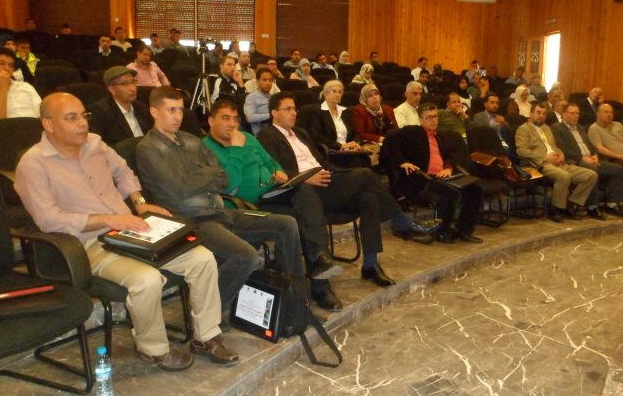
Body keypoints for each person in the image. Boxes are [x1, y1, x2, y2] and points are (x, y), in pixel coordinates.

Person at [15, 92, 237, 371]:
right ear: (48, 124)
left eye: (84, 115)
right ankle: (153, 349)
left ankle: (206, 336)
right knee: (146, 279)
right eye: (71, 118)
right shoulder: (33, 164)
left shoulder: (95, 143)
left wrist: (139, 202)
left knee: (202, 258)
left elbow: (123, 171)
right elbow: (49, 220)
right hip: (87, 243)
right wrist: (109, 219)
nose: (82, 123)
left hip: (129, 229)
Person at [135, 87, 314, 314]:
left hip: (220, 211)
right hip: (192, 220)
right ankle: (210, 315)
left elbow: (223, 177)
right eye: (171, 110)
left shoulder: (190, 140)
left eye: (180, 110)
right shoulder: (148, 149)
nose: (178, 116)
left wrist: (197, 178)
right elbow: (179, 190)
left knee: (286, 224)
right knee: (246, 256)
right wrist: (205, 177)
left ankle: (296, 301)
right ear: (154, 111)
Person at [257, 92, 440, 287]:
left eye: (294, 109)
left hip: (327, 181)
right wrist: (306, 177)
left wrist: (334, 172)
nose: (294, 113)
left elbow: (322, 161)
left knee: (368, 197)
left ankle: (370, 264)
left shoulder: (301, 133)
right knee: (366, 175)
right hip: (304, 190)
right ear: (274, 113)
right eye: (288, 109)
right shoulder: (267, 135)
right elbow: (274, 169)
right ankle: (403, 223)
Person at [202, 98, 345, 306]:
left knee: (304, 191)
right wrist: (236, 150)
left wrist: (278, 171)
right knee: (297, 220)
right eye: (225, 118)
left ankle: (319, 261)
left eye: (235, 119)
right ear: (211, 121)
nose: (232, 124)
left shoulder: (248, 138)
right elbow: (228, 185)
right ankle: (311, 289)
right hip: (246, 206)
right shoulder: (205, 149)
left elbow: (270, 161)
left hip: (272, 193)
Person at [382, 103, 483, 244]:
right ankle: (441, 232)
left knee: (475, 190)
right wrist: (402, 162)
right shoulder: (413, 132)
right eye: (429, 117)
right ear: (421, 119)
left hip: (443, 176)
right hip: (423, 179)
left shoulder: (440, 136)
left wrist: (448, 168)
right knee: (450, 194)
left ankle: (464, 230)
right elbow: (389, 140)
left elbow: (448, 156)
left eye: (435, 116)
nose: (433, 120)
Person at [515, 101, 598, 222]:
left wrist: (561, 155)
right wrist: (545, 157)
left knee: (591, 175)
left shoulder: (547, 128)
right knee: (564, 176)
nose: (541, 116)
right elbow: (521, 151)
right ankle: (556, 209)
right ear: (531, 113)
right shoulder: (523, 129)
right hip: (539, 164)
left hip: (558, 162)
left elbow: (555, 146)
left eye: (544, 113)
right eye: (538, 112)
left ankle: (571, 204)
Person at [551, 102, 623, 219]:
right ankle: (593, 206)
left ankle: (613, 202)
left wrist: (594, 155)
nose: (576, 116)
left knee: (617, 169)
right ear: (564, 114)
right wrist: (583, 158)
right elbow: (563, 149)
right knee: (593, 171)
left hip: (590, 158)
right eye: (572, 113)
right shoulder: (557, 128)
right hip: (576, 160)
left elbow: (590, 146)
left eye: (577, 113)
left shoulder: (581, 128)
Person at [89, 66, 153, 145]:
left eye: (133, 82)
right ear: (112, 89)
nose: (132, 88)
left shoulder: (142, 108)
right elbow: (100, 146)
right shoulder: (100, 112)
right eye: (125, 84)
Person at [0, 47, 41, 123]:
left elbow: (43, 114)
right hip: (6, 129)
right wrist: (2, 87)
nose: (7, 68)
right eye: (1, 63)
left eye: (10, 65)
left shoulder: (26, 87)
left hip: (33, 127)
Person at [304, 80, 361, 151]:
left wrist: (355, 143)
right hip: (331, 151)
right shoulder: (317, 111)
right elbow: (317, 136)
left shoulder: (345, 111)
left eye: (340, 92)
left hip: (349, 150)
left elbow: (356, 132)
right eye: (334, 91)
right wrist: (341, 146)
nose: (337, 94)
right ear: (326, 94)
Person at [244, 67, 276, 134]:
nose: (268, 83)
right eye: (264, 80)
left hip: (275, 130)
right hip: (262, 134)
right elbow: (249, 118)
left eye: (270, 80)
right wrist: (271, 115)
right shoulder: (251, 98)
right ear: (257, 82)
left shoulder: (273, 98)